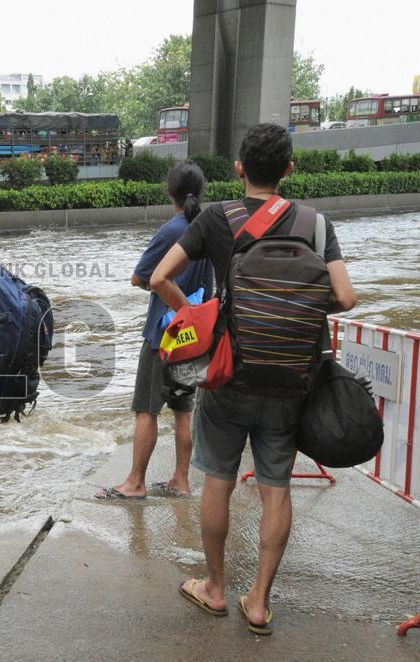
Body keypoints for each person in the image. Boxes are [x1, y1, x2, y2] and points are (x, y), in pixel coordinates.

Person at [150, 123, 356, 635]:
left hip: (227, 378)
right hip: (290, 380)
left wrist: (199, 320)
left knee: (217, 478)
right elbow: (346, 299)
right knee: (275, 487)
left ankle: (216, 589)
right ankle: (259, 601)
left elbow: (159, 278)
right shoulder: (315, 224)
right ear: (289, 169)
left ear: (240, 168)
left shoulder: (218, 218)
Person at [96, 161, 214, 500]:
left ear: (169, 191)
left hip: (163, 334)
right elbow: (209, 286)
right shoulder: (206, 226)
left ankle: (135, 482)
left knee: (146, 409)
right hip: (194, 335)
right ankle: (181, 479)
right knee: (183, 409)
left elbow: (139, 277)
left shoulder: (170, 231)